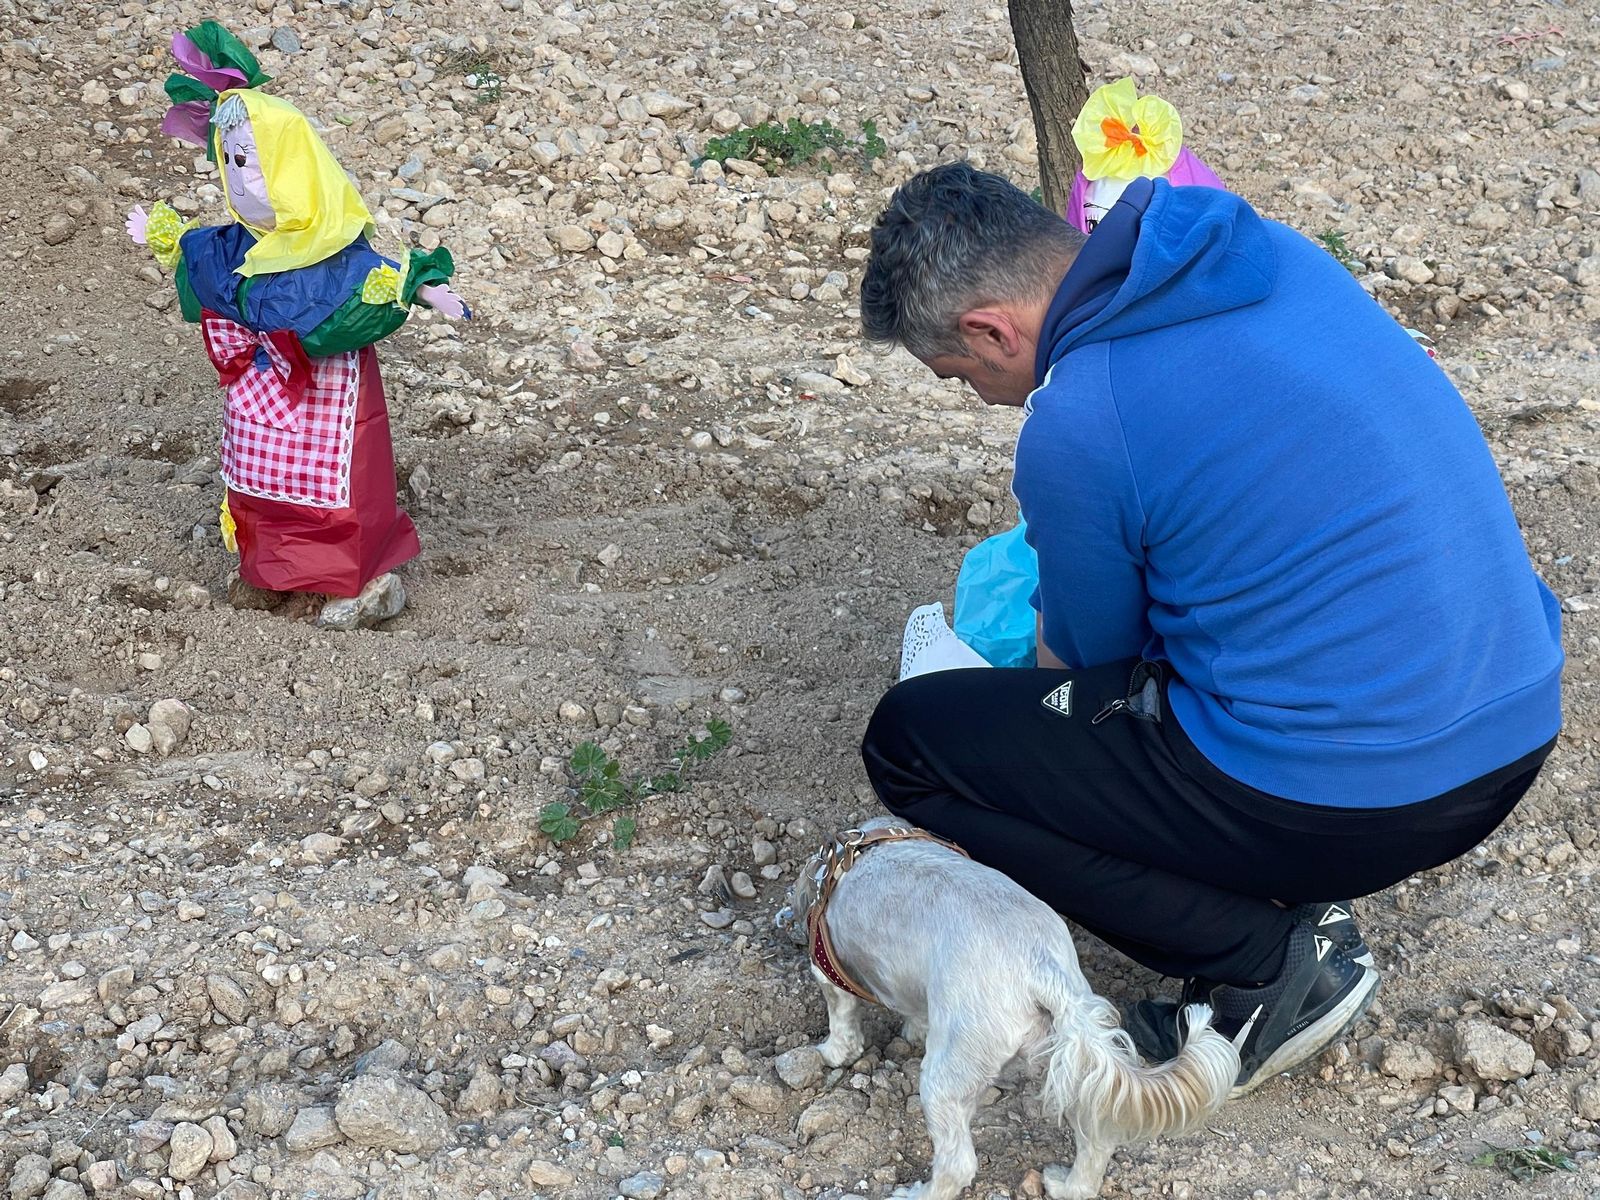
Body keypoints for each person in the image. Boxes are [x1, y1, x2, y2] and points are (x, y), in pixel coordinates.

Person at [856, 162, 1563, 1095]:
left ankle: (1265, 966)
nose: (984, 398)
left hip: (1369, 801)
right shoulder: (1268, 253)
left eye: (964, 374)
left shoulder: (1080, 419)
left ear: (992, 326)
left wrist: (1005, 689)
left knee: (914, 741)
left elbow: (1088, 664)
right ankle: (1266, 875)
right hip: (1511, 728)